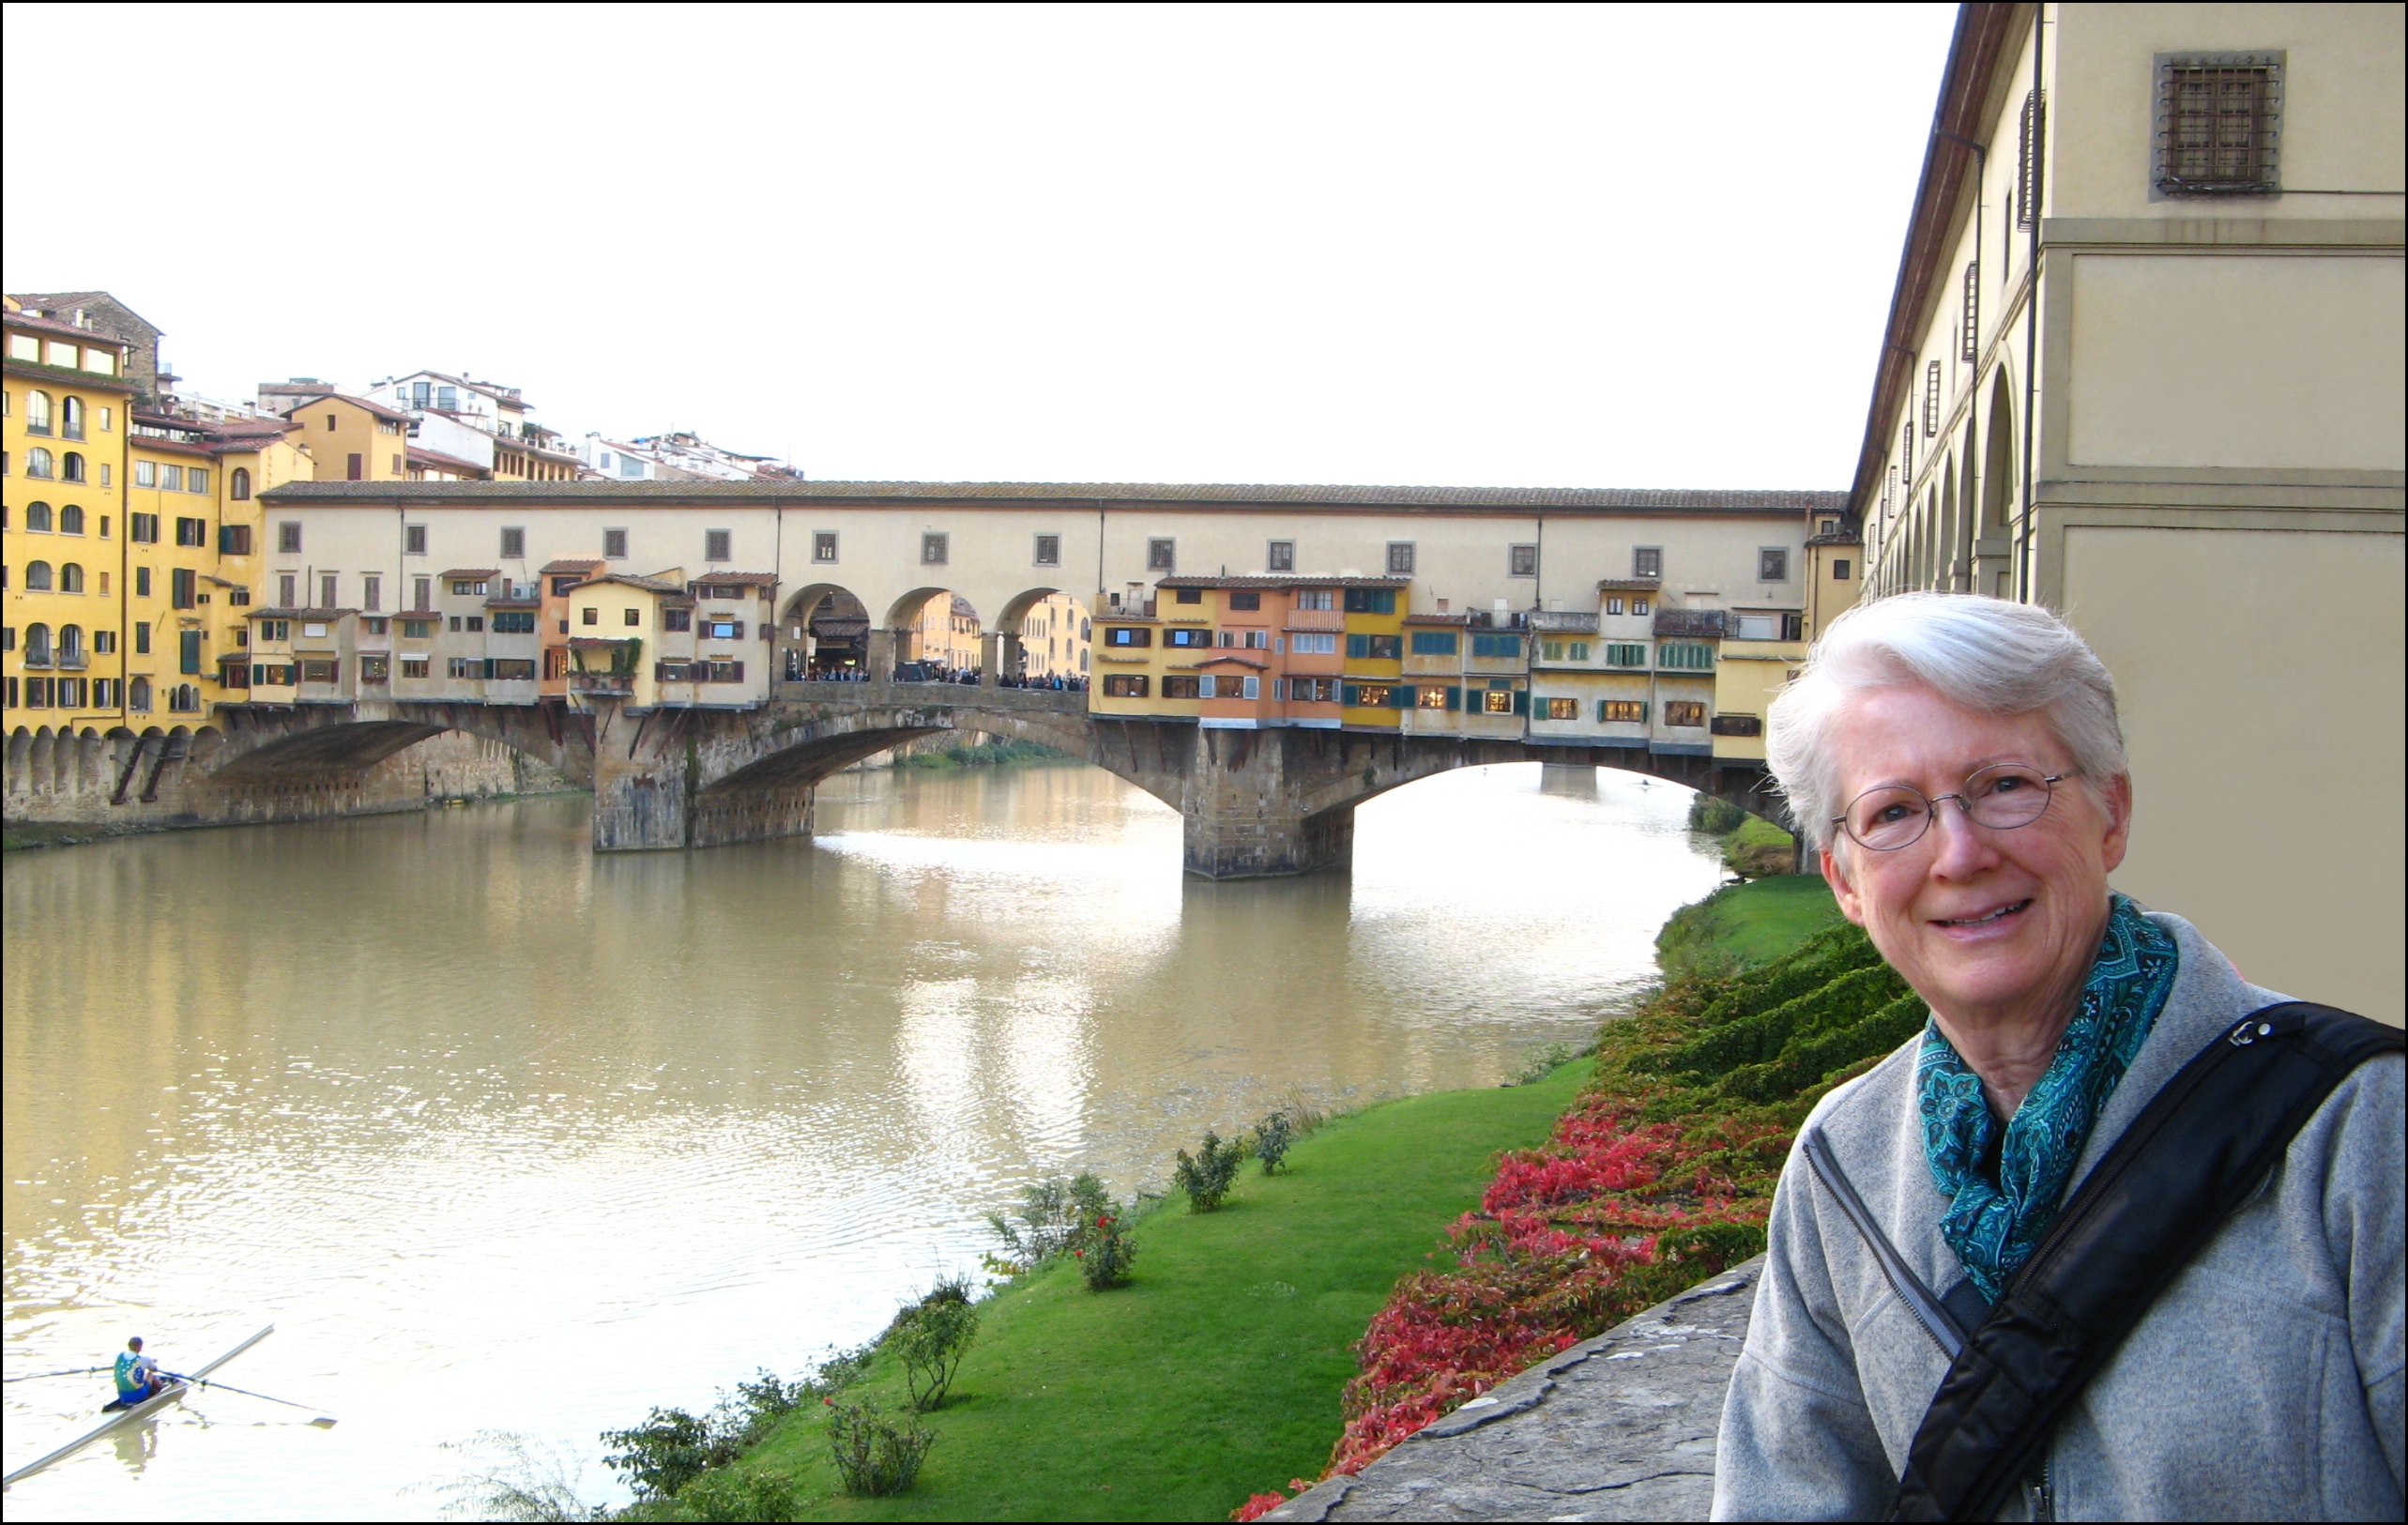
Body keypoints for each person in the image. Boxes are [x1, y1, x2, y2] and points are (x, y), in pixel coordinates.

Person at [1712, 593, 2403, 1521]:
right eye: (1894, 810)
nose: (1958, 853)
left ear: (2110, 812)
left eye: (2004, 785)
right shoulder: (1843, 1164)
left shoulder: (2360, 1133)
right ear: (1843, 879)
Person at [110, 1336, 168, 1410]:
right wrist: (152, 1362)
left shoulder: (118, 1355)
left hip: (122, 1397)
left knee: (130, 1377)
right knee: (150, 1374)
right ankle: (165, 1390)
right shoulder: (145, 1359)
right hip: (139, 1396)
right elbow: (154, 1369)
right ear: (139, 1346)